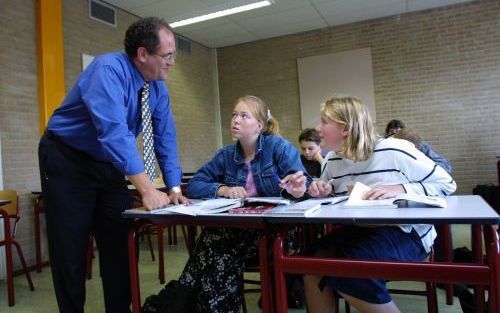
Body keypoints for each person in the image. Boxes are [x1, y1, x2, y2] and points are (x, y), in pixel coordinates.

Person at [38, 17, 188, 313]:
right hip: (68, 159)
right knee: (71, 249)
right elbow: (114, 132)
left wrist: (172, 187)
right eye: (167, 55)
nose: (172, 62)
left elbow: (165, 137)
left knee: (120, 245)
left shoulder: (156, 88)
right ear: (143, 54)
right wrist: (146, 188)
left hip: (107, 166)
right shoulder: (107, 70)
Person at [145, 95, 310, 313]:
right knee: (215, 245)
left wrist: (298, 188)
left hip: (274, 231)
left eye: (244, 116)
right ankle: (194, 305)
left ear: (259, 125)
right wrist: (223, 190)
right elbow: (195, 185)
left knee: (213, 246)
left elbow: (302, 180)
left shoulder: (277, 147)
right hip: (237, 230)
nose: (236, 120)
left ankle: (178, 303)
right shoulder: (226, 155)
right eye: (234, 114)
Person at [304, 95, 456, 313]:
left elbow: (447, 184)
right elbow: (332, 197)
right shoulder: (332, 160)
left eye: (324, 122)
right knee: (310, 265)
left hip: (406, 232)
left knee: (352, 271)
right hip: (360, 230)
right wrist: (321, 190)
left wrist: (402, 188)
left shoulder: (395, 149)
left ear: (345, 129)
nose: (318, 128)